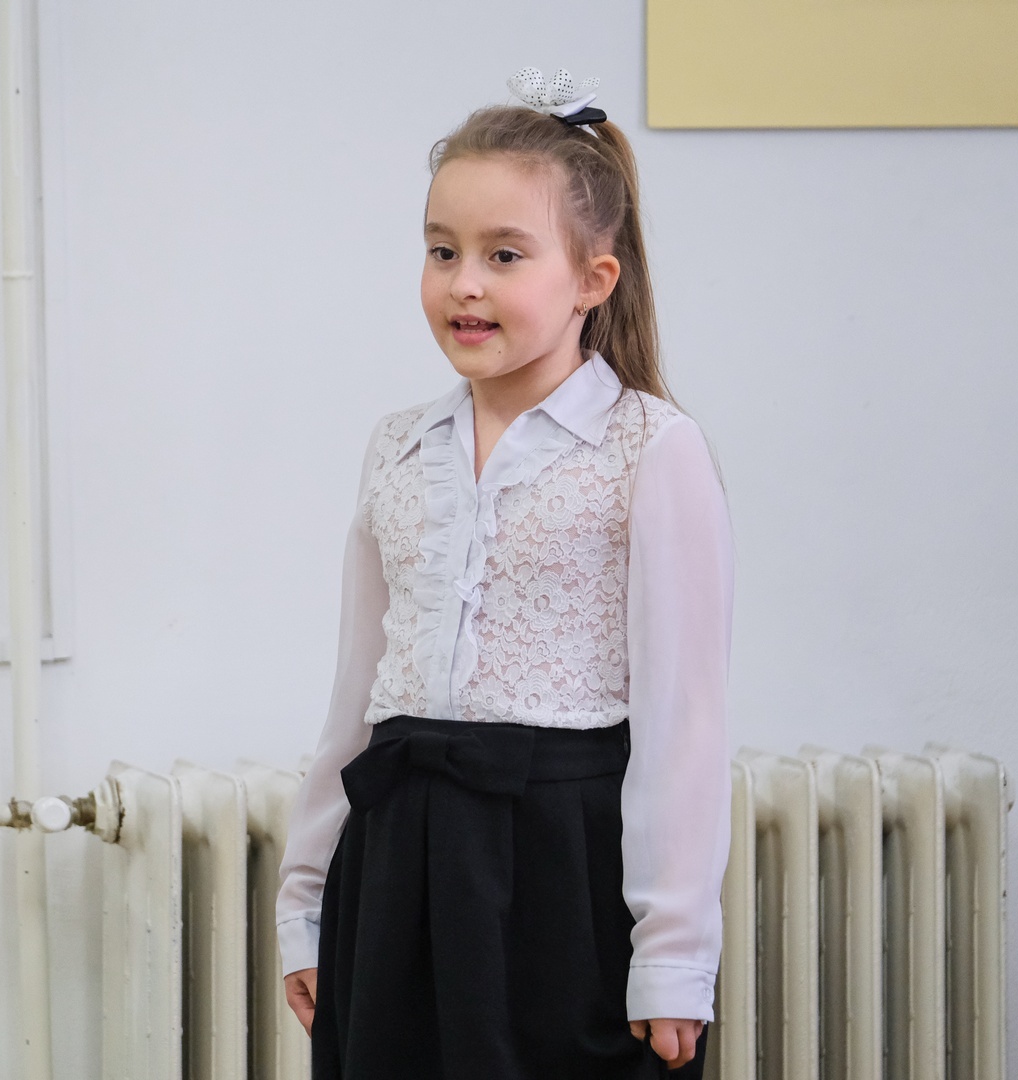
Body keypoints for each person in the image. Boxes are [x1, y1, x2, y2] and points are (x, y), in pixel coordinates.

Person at [275, 69, 734, 1080]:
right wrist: (305, 900)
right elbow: (356, 698)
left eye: (505, 255)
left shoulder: (652, 449)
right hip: (394, 864)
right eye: (442, 251)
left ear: (593, 281)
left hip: (563, 869)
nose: (464, 284)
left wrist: (674, 955)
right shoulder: (398, 447)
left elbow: (686, 721)